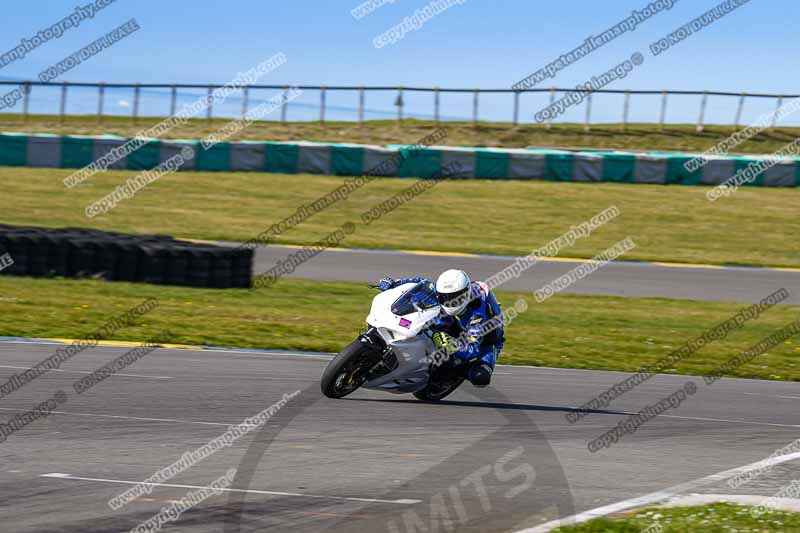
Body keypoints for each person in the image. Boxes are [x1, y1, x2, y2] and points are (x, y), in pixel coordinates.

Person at [376, 269, 504, 387]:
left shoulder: (478, 316)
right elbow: (422, 283)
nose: (448, 302)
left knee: (480, 378)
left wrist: (448, 342)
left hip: (485, 341)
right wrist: (394, 283)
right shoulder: (447, 289)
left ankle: (455, 371)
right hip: (457, 321)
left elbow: (473, 349)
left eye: (454, 299)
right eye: (444, 297)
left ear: (465, 294)